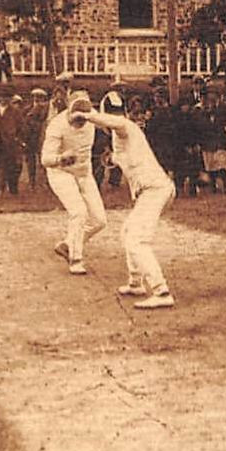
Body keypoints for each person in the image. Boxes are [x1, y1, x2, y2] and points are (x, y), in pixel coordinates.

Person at [73, 104, 177, 309]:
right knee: (127, 231)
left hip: (155, 190)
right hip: (152, 191)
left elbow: (116, 122)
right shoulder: (119, 138)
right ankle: (135, 282)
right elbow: (120, 152)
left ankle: (161, 290)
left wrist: (87, 115)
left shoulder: (126, 126)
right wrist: (111, 158)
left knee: (137, 240)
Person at [41, 91, 107, 275]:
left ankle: (68, 244)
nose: (80, 123)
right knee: (78, 212)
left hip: (84, 172)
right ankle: (75, 259)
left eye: (83, 118)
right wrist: (61, 158)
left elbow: (113, 129)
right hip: (60, 172)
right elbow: (45, 159)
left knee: (100, 221)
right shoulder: (56, 125)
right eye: (76, 118)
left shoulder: (93, 119)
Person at [0, 91, 24, 196]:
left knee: (11, 166)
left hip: (9, 142)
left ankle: (13, 189)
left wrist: (17, 138)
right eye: (3, 97)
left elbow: (20, 126)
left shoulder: (15, 111)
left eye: (7, 97)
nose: (4, 99)